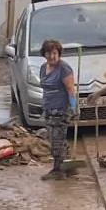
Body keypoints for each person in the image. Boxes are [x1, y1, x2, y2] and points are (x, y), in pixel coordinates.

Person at [37, 39, 77, 181]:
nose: (52, 56)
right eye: (48, 53)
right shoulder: (43, 68)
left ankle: (58, 169)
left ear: (58, 53)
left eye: (54, 53)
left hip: (61, 109)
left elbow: (71, 90)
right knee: (56, 139)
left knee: (57, 140)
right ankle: (68, 167)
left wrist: (74, 108)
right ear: (44, 54)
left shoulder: (64, 69)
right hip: (48, 107)